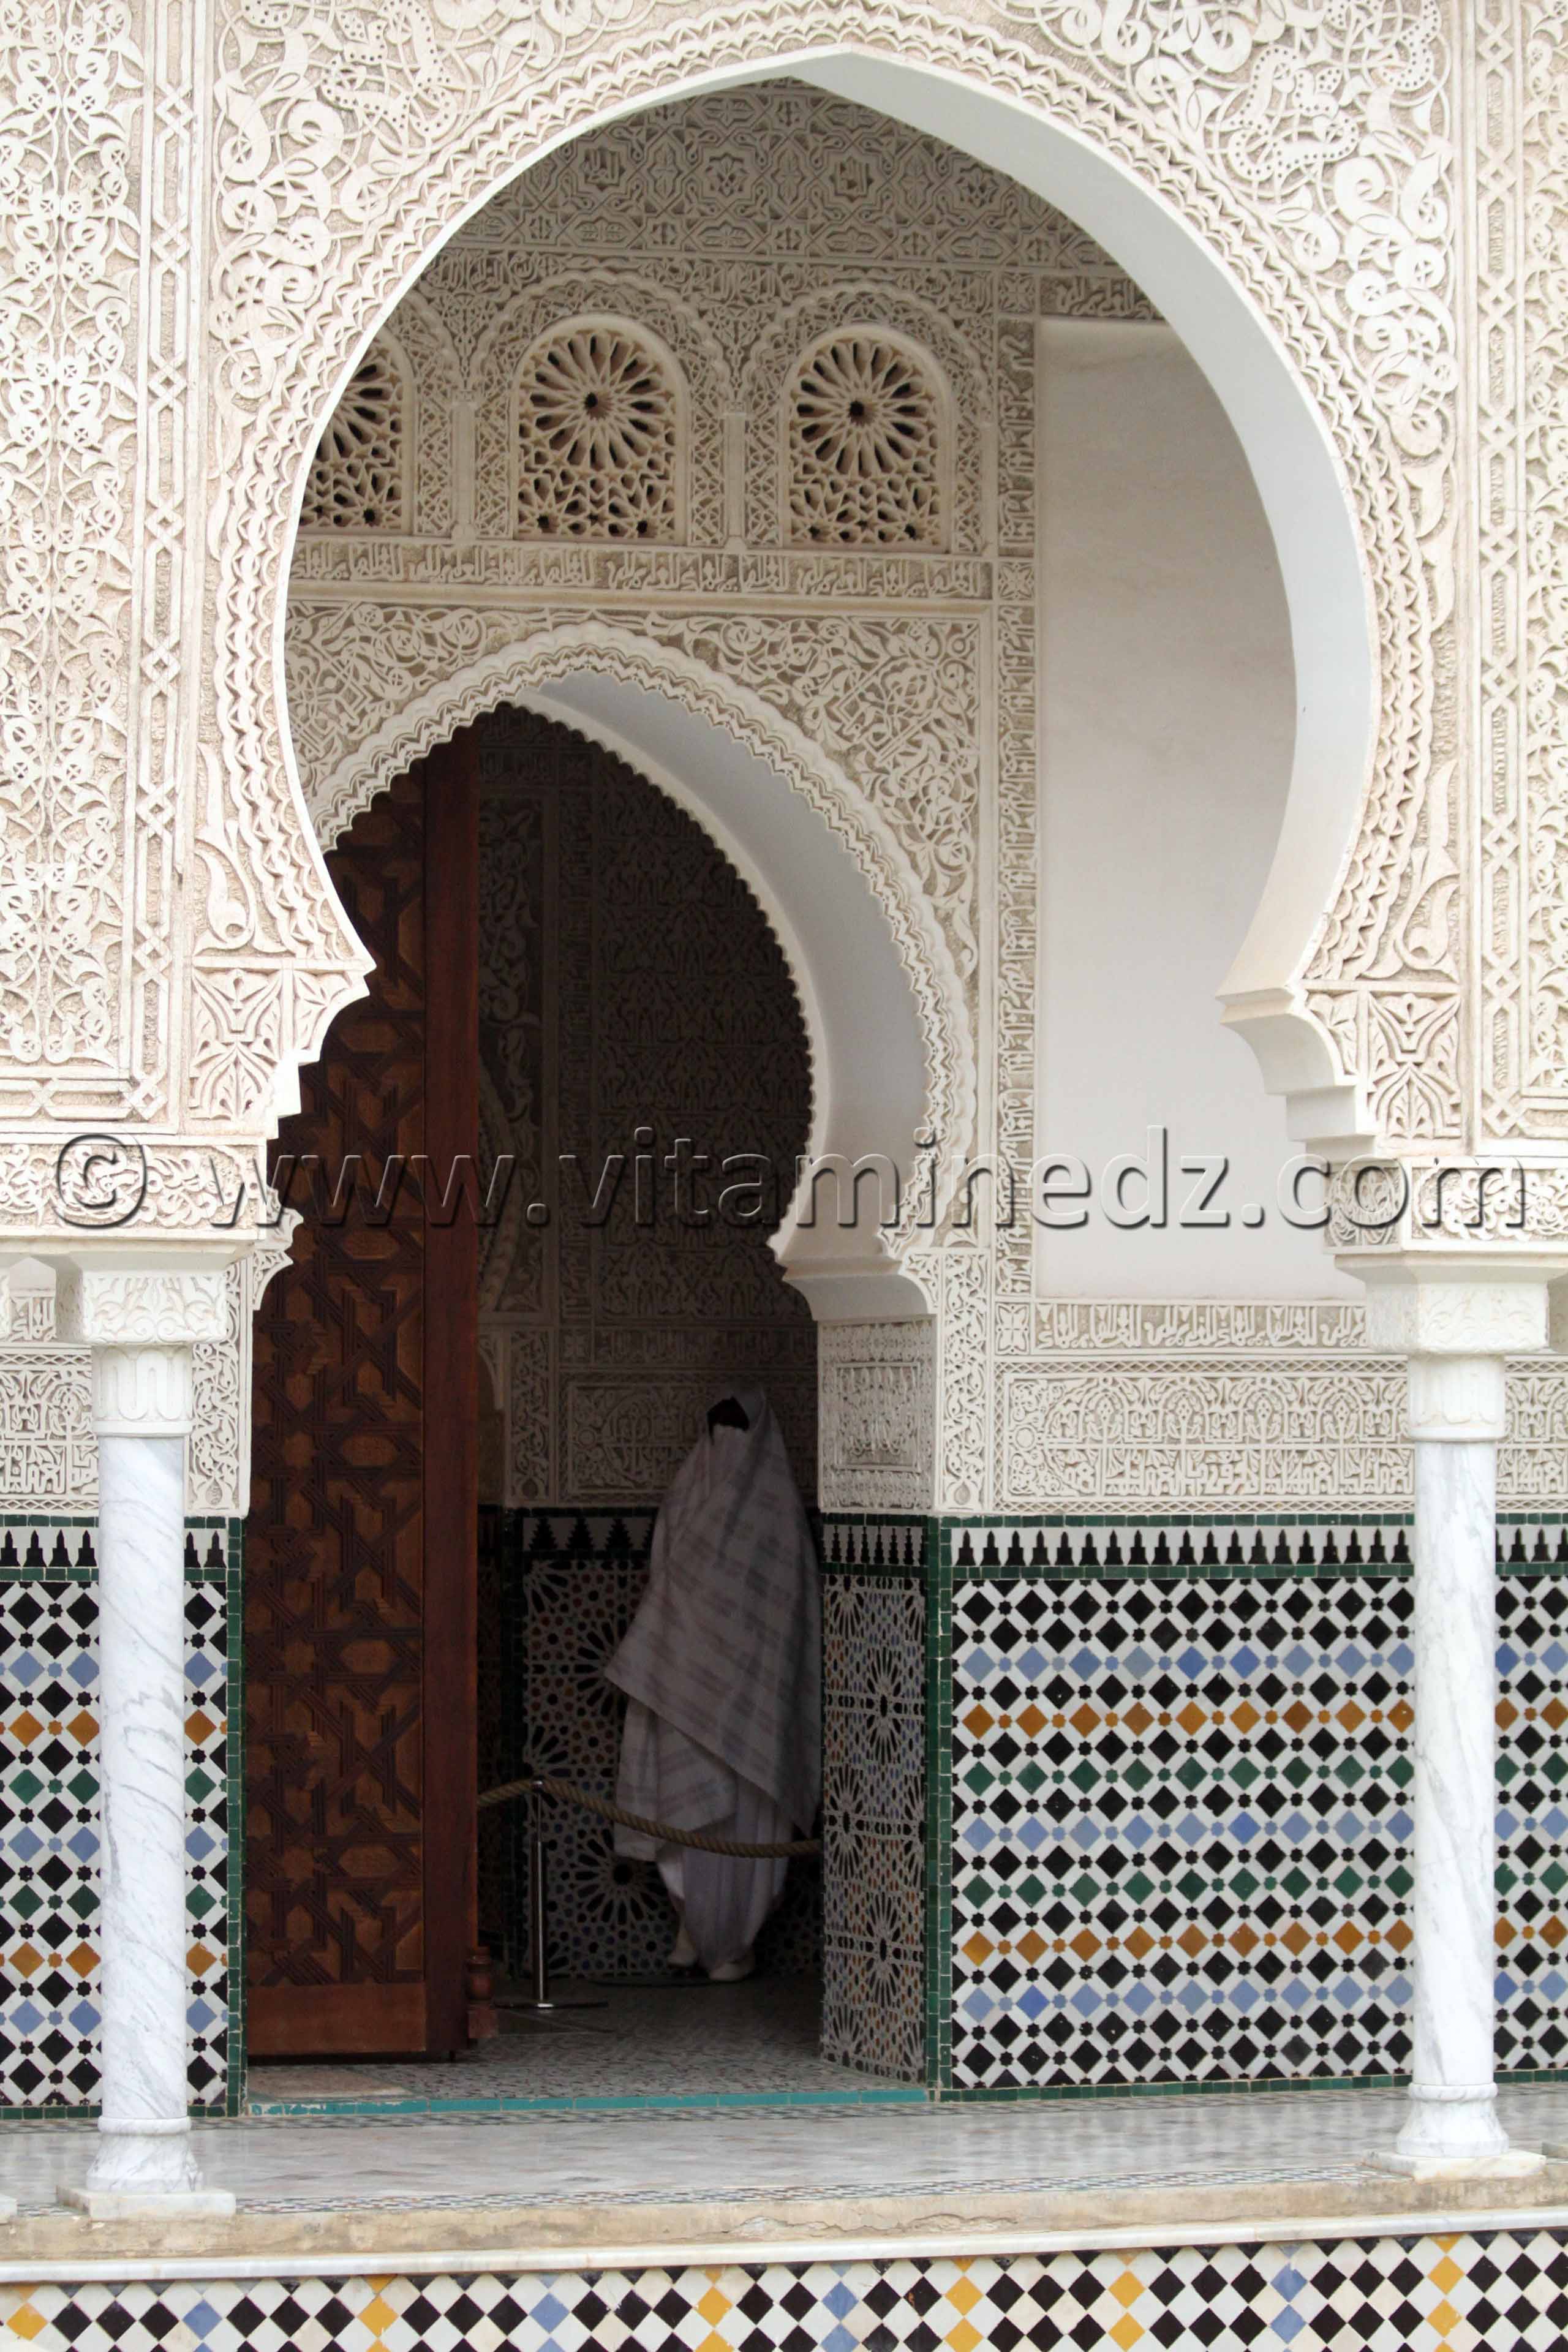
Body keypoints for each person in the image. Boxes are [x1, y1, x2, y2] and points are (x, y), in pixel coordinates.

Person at [605, 1388, 820, 1980]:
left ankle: (731, 1941)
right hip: (685, 1695)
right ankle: (694, 1930)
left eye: (736, 1434)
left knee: (749, 1826)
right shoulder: (688, 1493)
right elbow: (668, 1587)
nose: (726, 1448)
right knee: (687, 1818)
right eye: (717, 1432)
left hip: (755, 1715)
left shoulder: (774, 1515)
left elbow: (789, 1620)